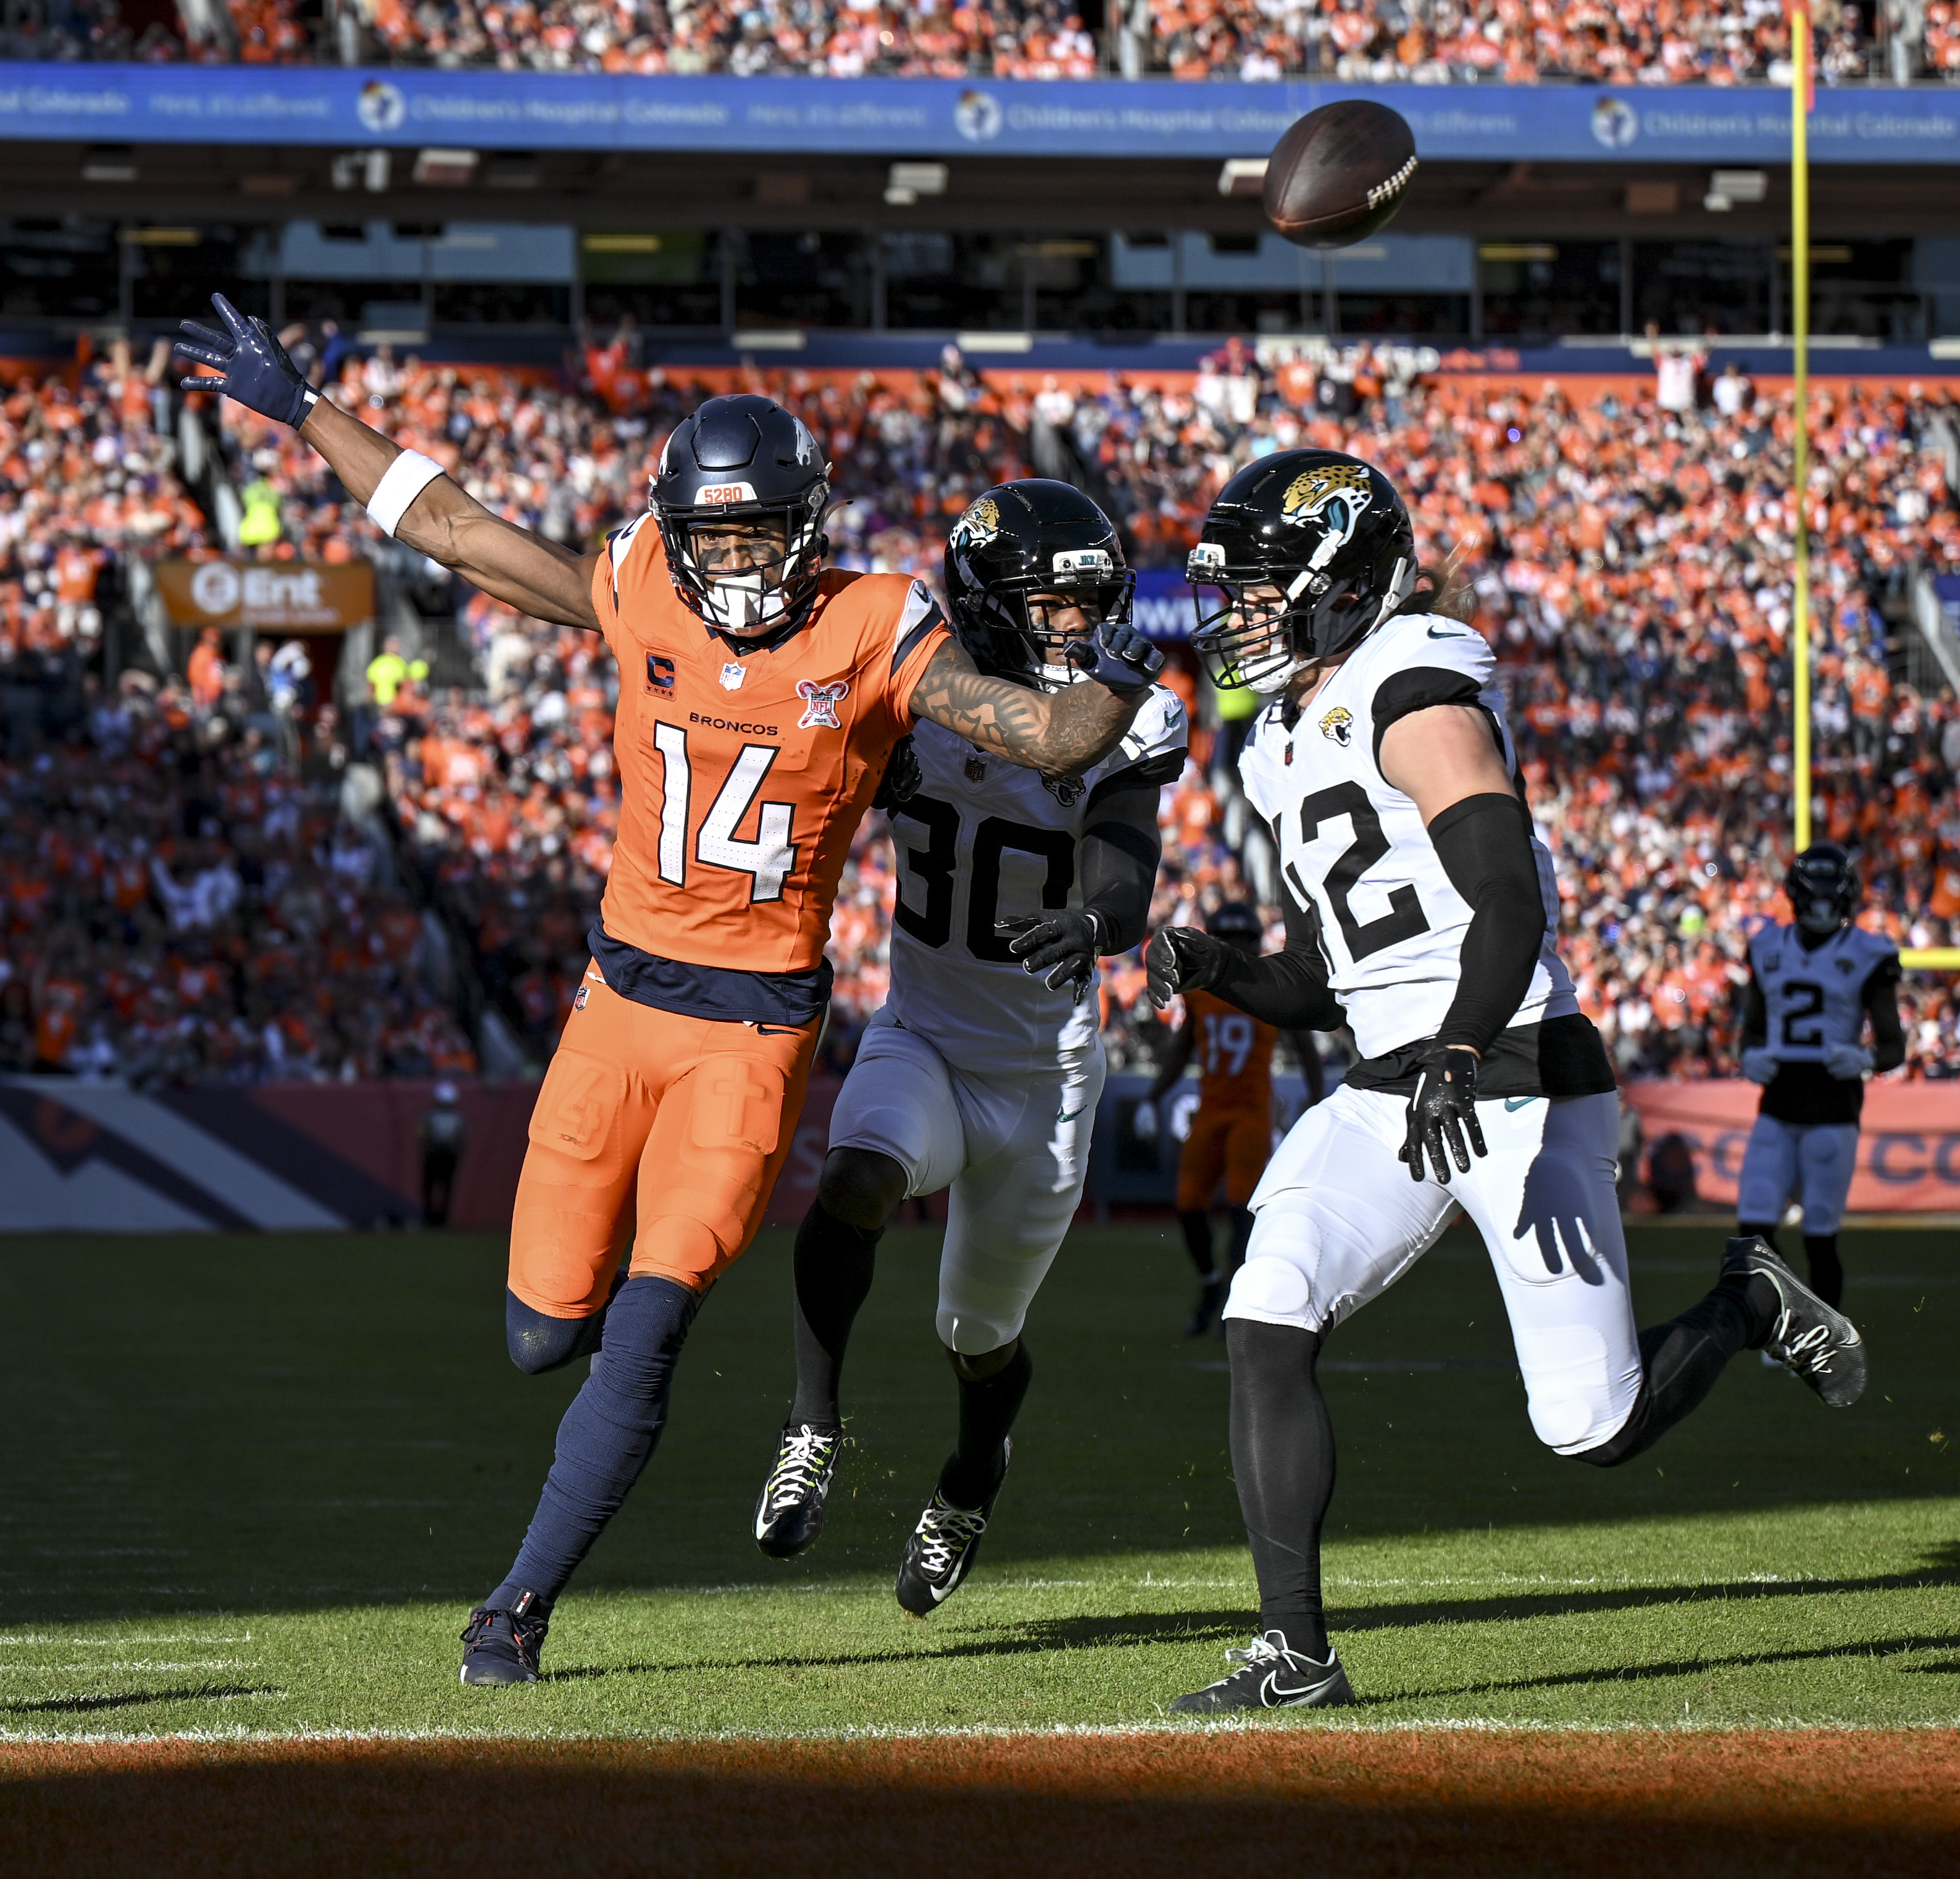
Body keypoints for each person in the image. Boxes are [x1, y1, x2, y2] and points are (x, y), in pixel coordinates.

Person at [173, 295, 1164, 1687]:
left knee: (647, 1328)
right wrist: (303, 411)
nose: (741, 558)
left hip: (749, 1036)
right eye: (718, 535)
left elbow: (1045, 728)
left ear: (808, 524)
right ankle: (557, 1459)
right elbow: (458, 533)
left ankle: (512, 1611)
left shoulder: (874, 626)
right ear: (678, 536)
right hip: (612, 1006)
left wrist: (1117, 683)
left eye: (762, 530)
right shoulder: (637, 578)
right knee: (539, 1336)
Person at [1145, 448, 1869, 1714]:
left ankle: (1746, 1305)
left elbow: (1508, 900)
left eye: (1264, 589)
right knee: (1267, 1315)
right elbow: (1333, 973)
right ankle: (1296, 1656)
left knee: (1590, 1426)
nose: (1240, 615)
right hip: (1388, 1090)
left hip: (1515, 1067)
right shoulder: (1275, 744)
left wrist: (1468, 1045)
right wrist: (1215, 966)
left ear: (1342, 580)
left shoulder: (1416, 687)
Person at [751, 481, 1186, 1613]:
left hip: (1042, 1079)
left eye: (1086, 603)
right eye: (1050, 606)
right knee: (852, 1179)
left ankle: (969, 1477)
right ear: (992, 609)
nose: (1075, 627)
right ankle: (811, 1421)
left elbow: (1127, 853)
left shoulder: (1127, 711)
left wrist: (1101, 917)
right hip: (926, 1036)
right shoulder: (919, 697)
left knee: (977, 1332)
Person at [1140, 900, 1324, 1337]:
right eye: (1230, 939)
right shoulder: (1202, 990)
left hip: (1250, 1112)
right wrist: (1152, 1097)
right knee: (1188, 1204)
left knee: (1242, 1207)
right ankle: (1210, 1284)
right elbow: (1184, 1045)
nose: (1237, 947)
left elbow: (1304, 1048)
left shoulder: (1272, 986)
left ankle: (1234, 1299)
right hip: (1211, 1109)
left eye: (1243, 940)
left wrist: (1318, 1103)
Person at [1735, 843, 1904, 1311]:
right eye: (1814, 900)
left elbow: (1894, 1046)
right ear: (1795, 897)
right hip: (1777, 1100)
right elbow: (1751, 1029)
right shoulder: (1768, 946)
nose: (1823, 910)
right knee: (1752, 1228)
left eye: (1831, 900)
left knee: (1819, 1235)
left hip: (1833, 1106)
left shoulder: (1868, 952)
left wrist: (1866, 1059)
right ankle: (1788, 1322)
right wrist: (1748, 1056)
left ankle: (1825, 1343)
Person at [420, 1079, 469, 1226]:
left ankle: (432, 1219)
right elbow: (462, 1139)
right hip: (449, 1156)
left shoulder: (430, 1116)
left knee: (432, 1187)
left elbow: (423, 1137)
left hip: (435, 1155)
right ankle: (441, 1219)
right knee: (445, 1188)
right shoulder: (458, 1118)